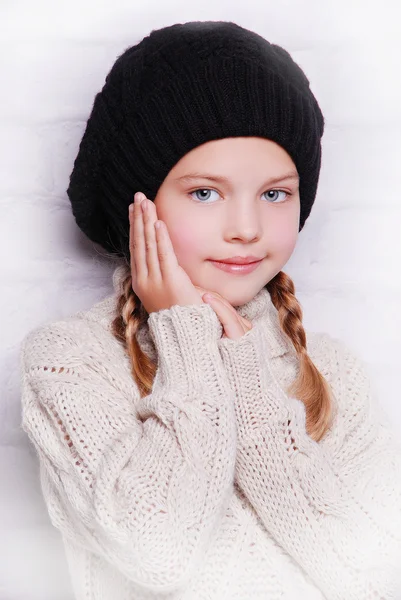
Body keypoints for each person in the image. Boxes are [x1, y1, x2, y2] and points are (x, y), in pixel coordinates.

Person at [19, 20, 401, 600]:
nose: (246, 229)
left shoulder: (333, 373)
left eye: (275, 194)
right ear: (139, 207)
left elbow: (370, 576)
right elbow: (160, 551)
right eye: (205, 193)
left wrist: (247, 378)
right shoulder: (70, 361)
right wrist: (186, 340)